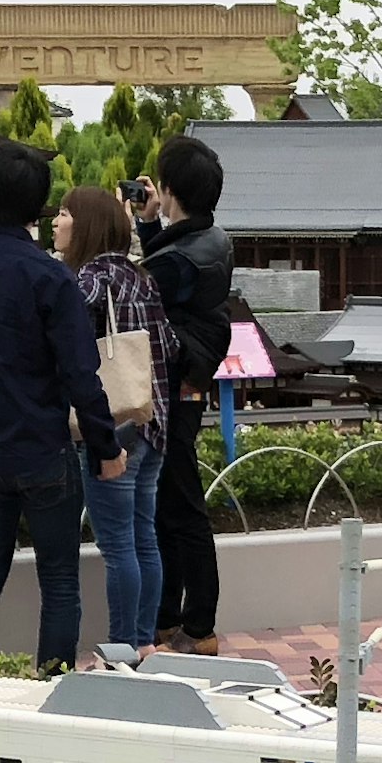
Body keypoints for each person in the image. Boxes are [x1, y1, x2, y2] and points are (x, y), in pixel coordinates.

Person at [0, 138, 122, 671]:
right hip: (45, 450)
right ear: (41, 204)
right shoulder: (52, 277)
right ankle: (49, 685)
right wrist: (106, 445)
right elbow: (82, 374)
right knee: (59, 580)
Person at [56, 182, 170, 665]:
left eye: (64, 214)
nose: (56, 222)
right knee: (144, 536)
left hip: (113, 426)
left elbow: (65, 336)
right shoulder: (141, 276)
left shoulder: (90, 280)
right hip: (151, 420)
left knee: (119, 544)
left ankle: (123, 646)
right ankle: (143, 639)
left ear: (85, 225)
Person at [132, 134, 236, 654]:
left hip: (173, 386)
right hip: (188, 382)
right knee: (170, 505)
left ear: (169, 189)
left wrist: (145, 228)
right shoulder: (212, 238)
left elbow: (144, 292)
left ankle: (198, 625)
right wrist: (152, 224)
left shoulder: (180, 257)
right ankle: (172, 617)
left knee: (180, 508)